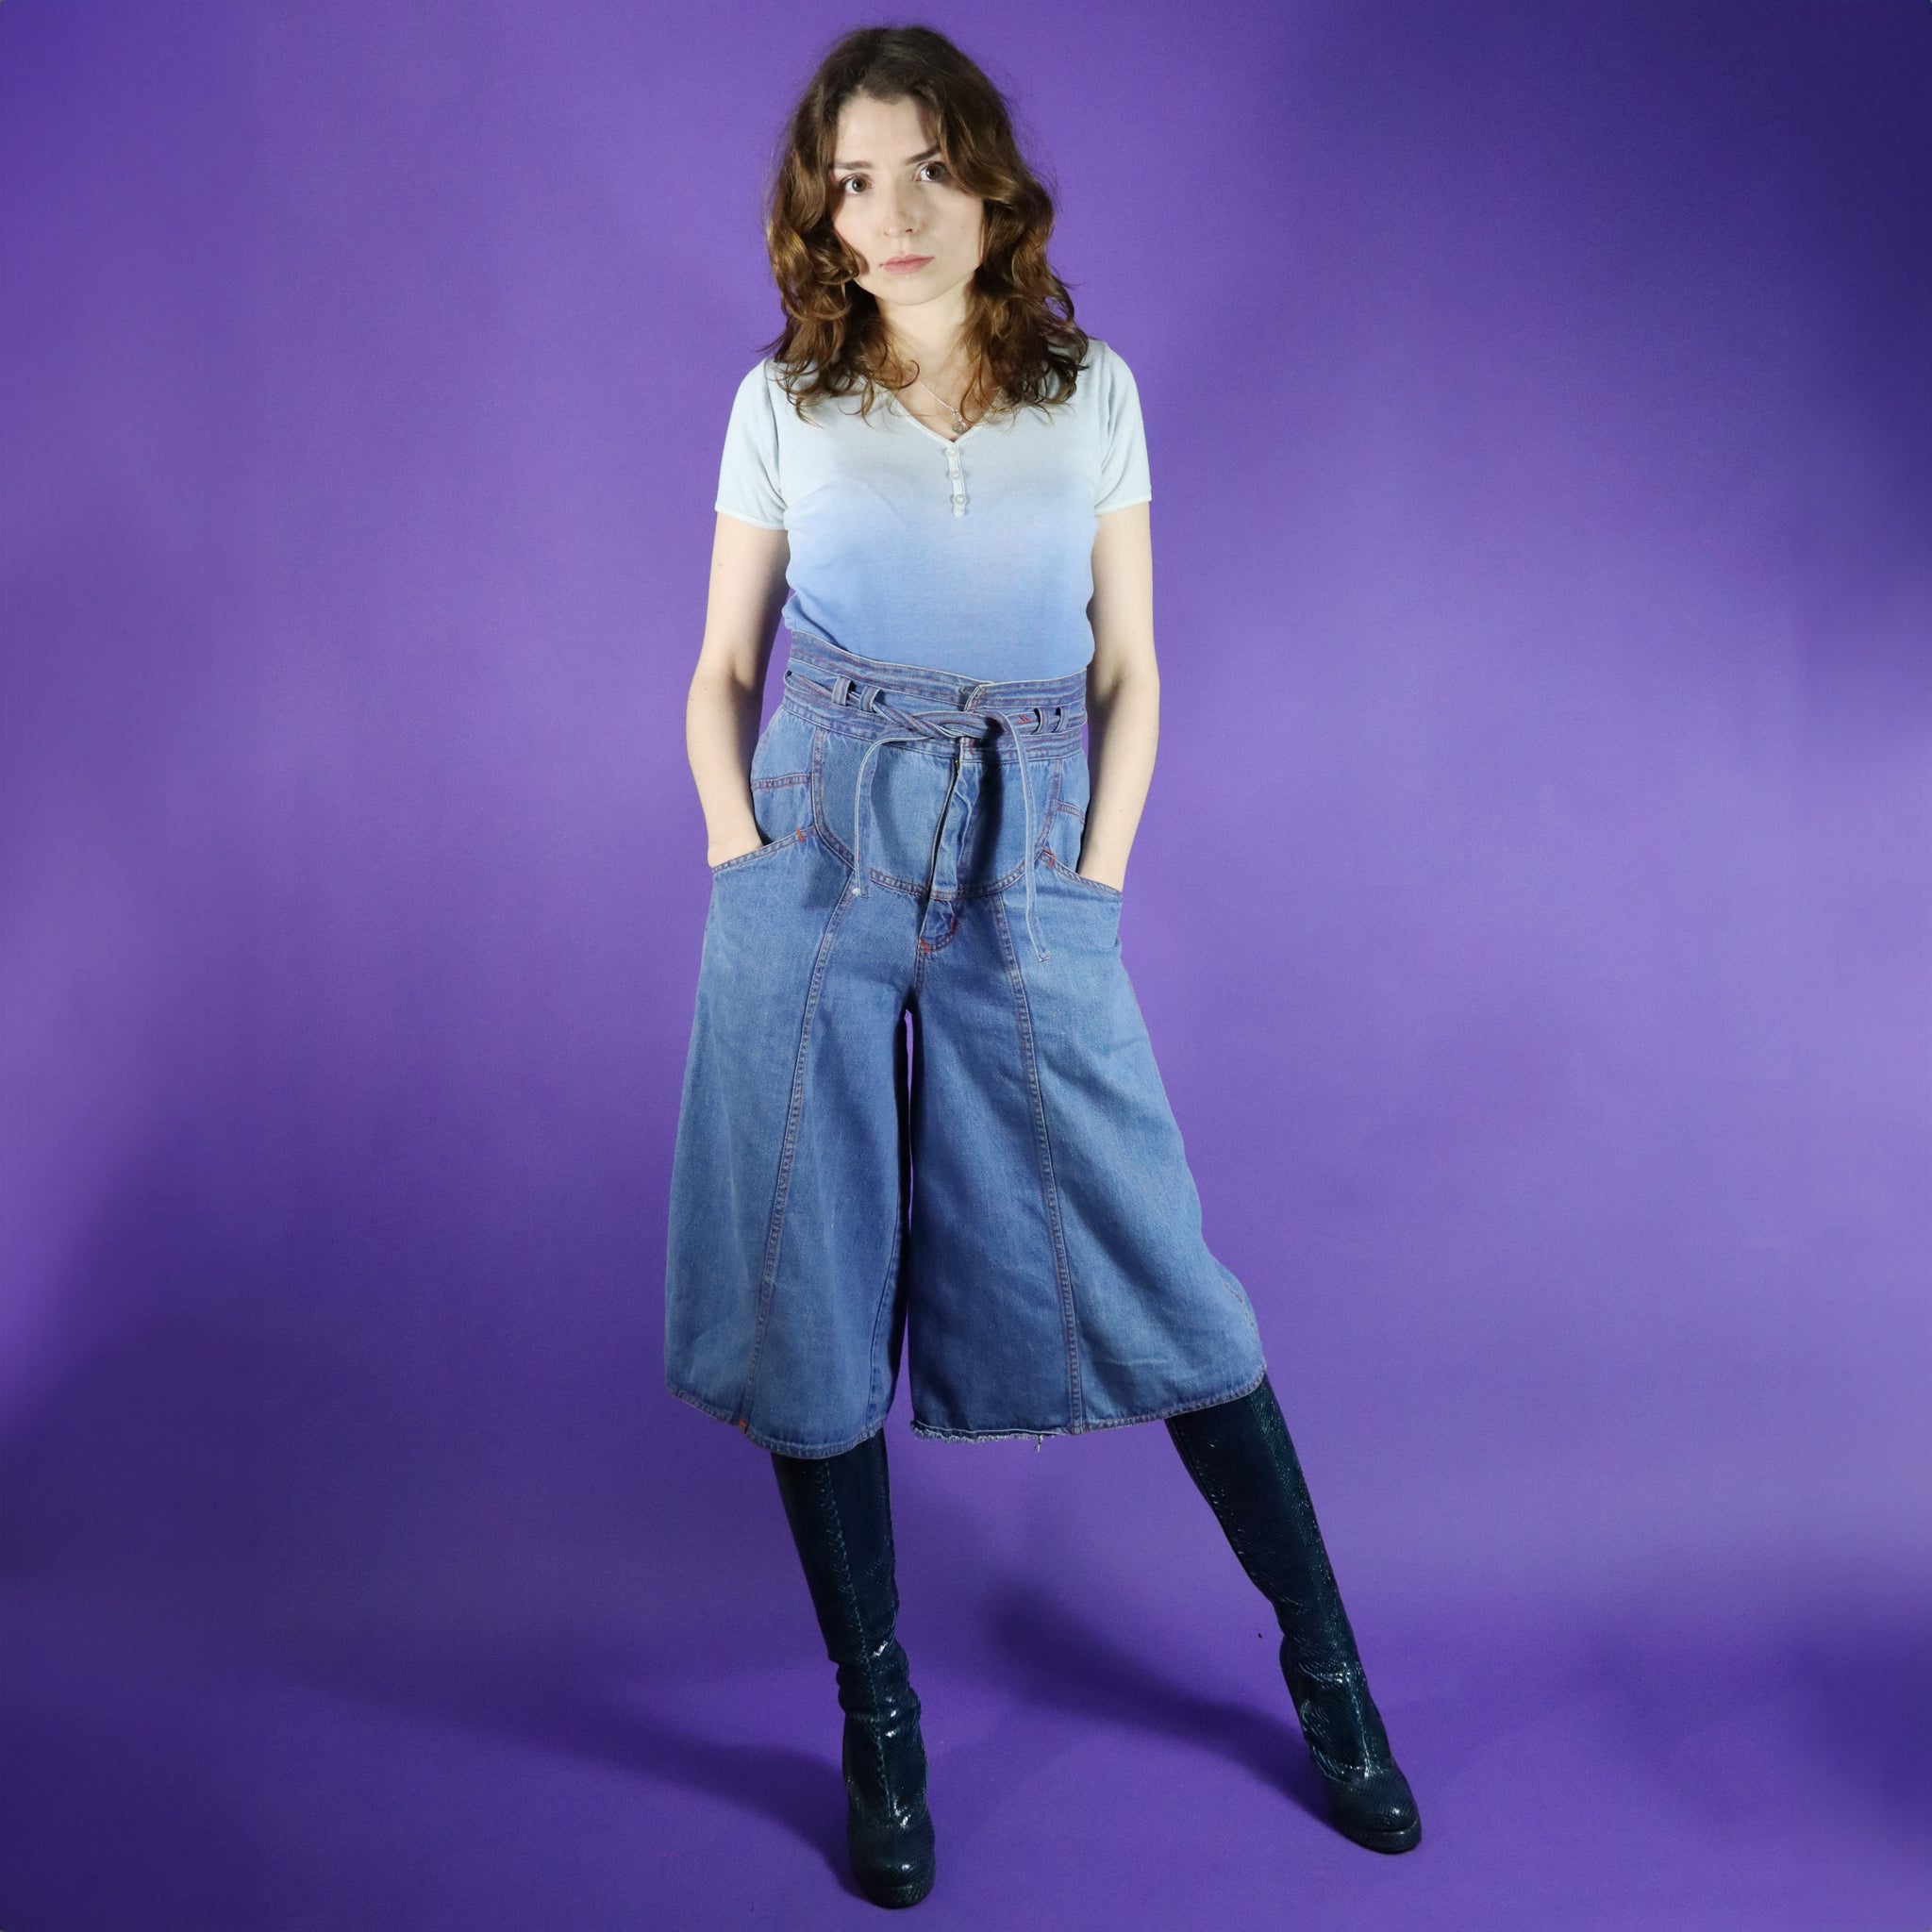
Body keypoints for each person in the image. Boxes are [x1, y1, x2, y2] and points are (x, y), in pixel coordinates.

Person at [667, 24, 1420, 1908]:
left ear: (991, 182)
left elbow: (1133, 668)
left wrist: (1089, 883)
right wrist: (738, 855)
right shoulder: (780, 400)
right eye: (854, 181)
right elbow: (722, 670)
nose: (894, 212)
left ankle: (1331, 1678)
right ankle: (880, 1723)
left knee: (1163, 1270)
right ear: (819, 212)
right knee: (807, 1290)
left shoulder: (1093, 396)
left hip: (1026, 850)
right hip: (818, 847)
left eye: (928, 168)